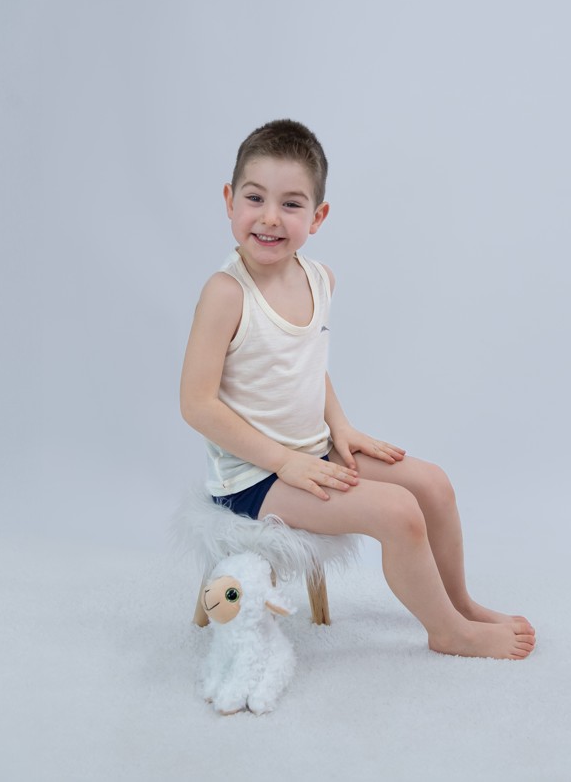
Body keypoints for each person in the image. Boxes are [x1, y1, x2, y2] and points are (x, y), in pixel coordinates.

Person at [180, 119, 535, 660]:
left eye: (291, 204)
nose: (270, 217)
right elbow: (196, 404)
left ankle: (460, 603)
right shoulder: (226, 294)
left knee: (433, 485)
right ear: (230, 201)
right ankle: (447, 631)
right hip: (251, 479)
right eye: (255, 198)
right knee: (397, 512)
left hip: (311, 451)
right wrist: (283, 461)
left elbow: (303, 365)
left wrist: (340, 427)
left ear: (317, 216)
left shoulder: (319, 279)